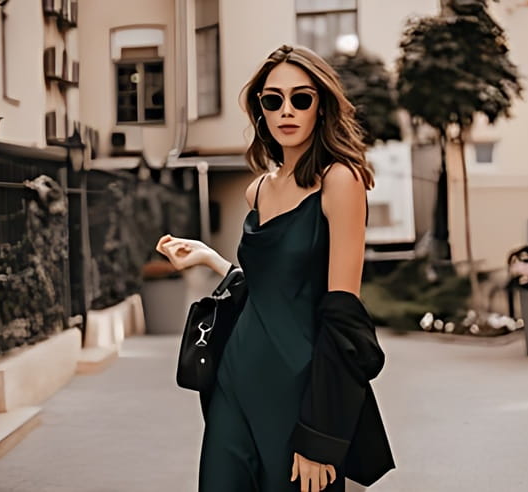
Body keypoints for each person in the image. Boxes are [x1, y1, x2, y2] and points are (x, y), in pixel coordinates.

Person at [156, 44, 393, 492]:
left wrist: (321, 433)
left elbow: (343, 311)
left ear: (320, 107)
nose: (287, 110)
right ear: (260, 110)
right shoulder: (258, 190)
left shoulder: (341, 180)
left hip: (299, 388)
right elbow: (270, 288)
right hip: (235, 379)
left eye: (301, 98)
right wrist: (210, 258)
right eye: (273, 99)